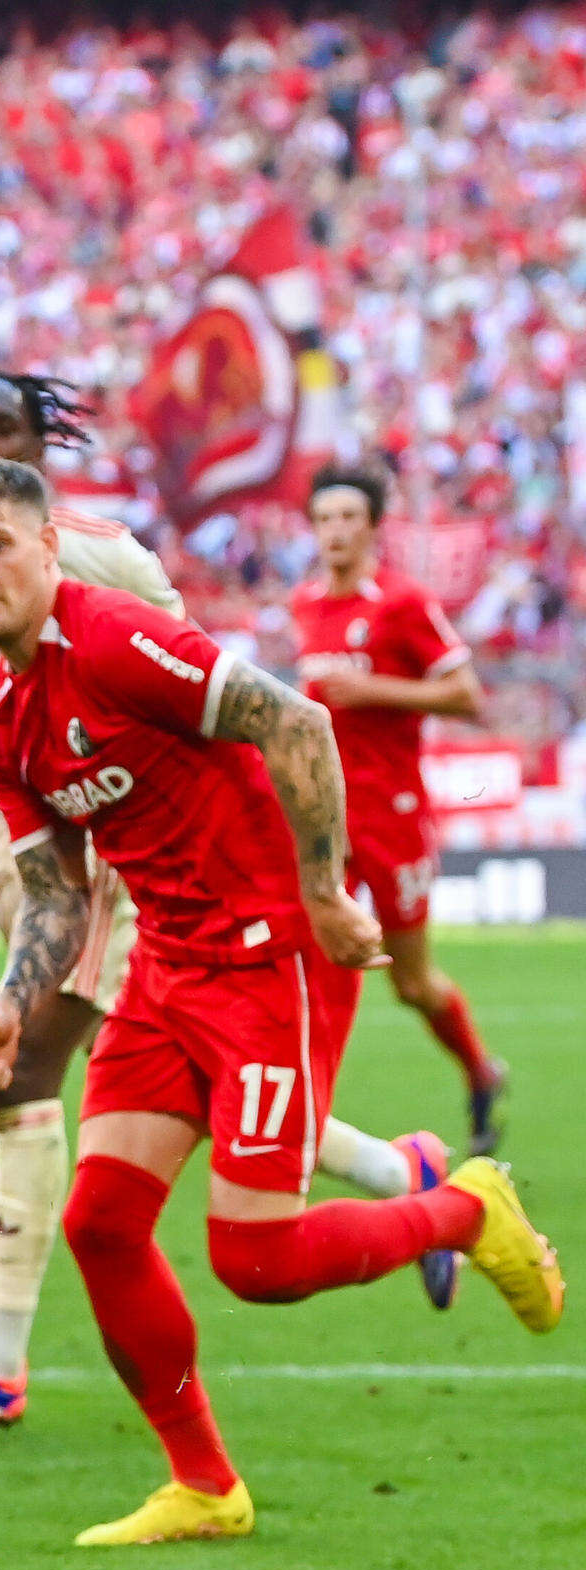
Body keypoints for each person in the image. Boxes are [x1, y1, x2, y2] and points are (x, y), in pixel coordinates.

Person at [0, 374, 446, 1422]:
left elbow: (201, 698)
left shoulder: (105, 561)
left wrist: (289, 871)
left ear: (37, 456)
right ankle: (401, 1166)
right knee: (167, 1085)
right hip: (23, 867)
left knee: (24, 1070)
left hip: (129, 869)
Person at [0, 457, 562, 1548]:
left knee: (253, 1262)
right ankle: (207, 1487)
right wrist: (8, 1006)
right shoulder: (2, 716)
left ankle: (466, 1210)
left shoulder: (117, 638)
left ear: (45, 545)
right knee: (101, 1223)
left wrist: (321, 891)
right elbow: (52, 891)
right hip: (166, 969)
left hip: (273, 957)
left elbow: (297, 724)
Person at [290, 466, 508, 1152]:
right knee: (320, 957)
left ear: (373, 526)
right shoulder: (305, 604)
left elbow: (469, 697)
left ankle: (479, 1070)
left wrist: (372, 687)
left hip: (394, 816)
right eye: (325, 518)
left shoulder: (404, 603)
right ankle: (306, 1109)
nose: (336, 530)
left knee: (412, 983)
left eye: (350, 516)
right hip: (328, 820)